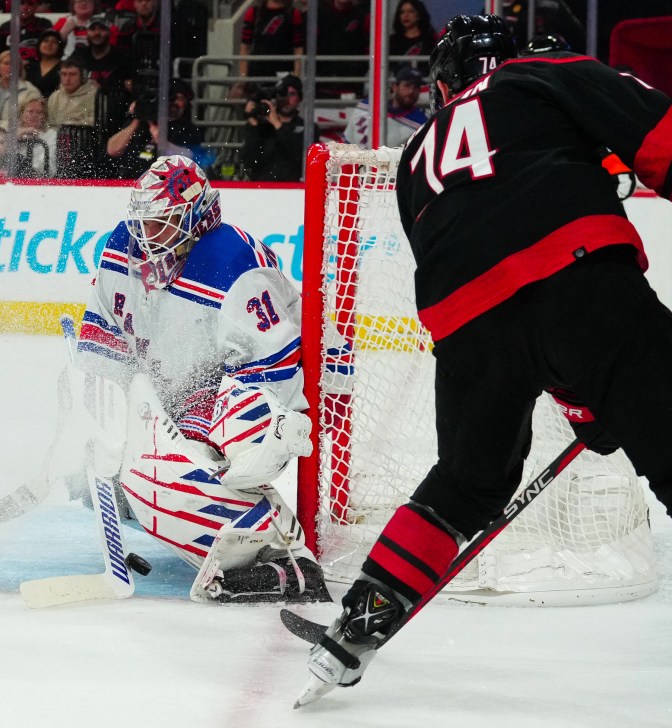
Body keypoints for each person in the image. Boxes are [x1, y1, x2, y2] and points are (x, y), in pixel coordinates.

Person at [296, 14, 672, 707]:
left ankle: (358, 625)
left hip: (465, 325)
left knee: (466, 484)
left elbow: (486, 274)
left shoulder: (414, 160)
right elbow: (659, 139)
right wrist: (592, 389)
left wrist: (581, 400)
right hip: (579, 275)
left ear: (443, 85)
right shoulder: (541, 76)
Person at [70, 155, 331, 603]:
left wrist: (197, 435)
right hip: (176, 385)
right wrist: (95, 422)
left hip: (247, 391)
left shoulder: (230, 261)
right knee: (115, 452)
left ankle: (282, 554)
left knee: (181, 468)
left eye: (161, 224)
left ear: (195, 219)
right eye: (143, 222)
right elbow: (105, 342)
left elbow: (274, 371)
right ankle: (168, 497)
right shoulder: (125, 246)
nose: (145, 237)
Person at [240, 73, 309, 181]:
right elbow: (249, 161)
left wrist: (277, 124)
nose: (287, 99)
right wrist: (253, 124)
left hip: (293, 190)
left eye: (292, 94)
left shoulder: (308, 128)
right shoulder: (260, 127)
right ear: (276, 97)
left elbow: (301, 157)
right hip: (261, 188)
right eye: (283, 94)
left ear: (300, 98)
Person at [343, 66, 428, 148]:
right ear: (395, 87)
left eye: (416, 87)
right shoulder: (365, 107)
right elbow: (347, 142)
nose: (411, 91)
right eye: (407, 85)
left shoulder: (421, 124)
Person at [237, 0, 303, 81]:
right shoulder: (254, 12)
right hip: (257, 72)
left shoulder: (294, 14)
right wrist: (243, 77)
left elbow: (298, 49)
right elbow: (244, 48)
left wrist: (296, 78)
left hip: (284, 72)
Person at [388, 0, 436, 75]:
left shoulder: (430, 40)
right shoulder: (392, 41)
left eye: (410, 11)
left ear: (419, 15)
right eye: (402, 12)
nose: (405, 15)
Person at [47, 59, 97, 127]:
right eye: (64, 74)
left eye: (72, 74)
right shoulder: (55, 96)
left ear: (82, 76)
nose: (67, 79)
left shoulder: (95, 96)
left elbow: (97, 123)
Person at [15, 95, 56, 176]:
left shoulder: (52, 135)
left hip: (39, 179)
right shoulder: (13, 132)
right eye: (30, 111)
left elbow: (50, 165)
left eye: (39, 112)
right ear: (22, 114)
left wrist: (28, 169)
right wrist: (18, 136)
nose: (34, 115)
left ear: (44, 116)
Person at [26, 29, 63, 98]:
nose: (49, 44)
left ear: (59, 47)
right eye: (46, 41)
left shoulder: (64, 67)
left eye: (54, 42)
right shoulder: (30, 66)